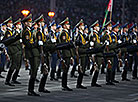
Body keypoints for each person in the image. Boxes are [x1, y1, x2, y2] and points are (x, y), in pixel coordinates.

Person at [22, 14, 40, 96]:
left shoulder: (29, 31)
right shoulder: (26, 32)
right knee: (33, 72)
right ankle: (30, 90)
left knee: (34, 71)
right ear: (25, 23)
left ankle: (31, 90)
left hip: (34, 53)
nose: (30, 23)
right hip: (31, 53)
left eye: (30, 22)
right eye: (28, 22)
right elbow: (28, 44)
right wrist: (36, 44)